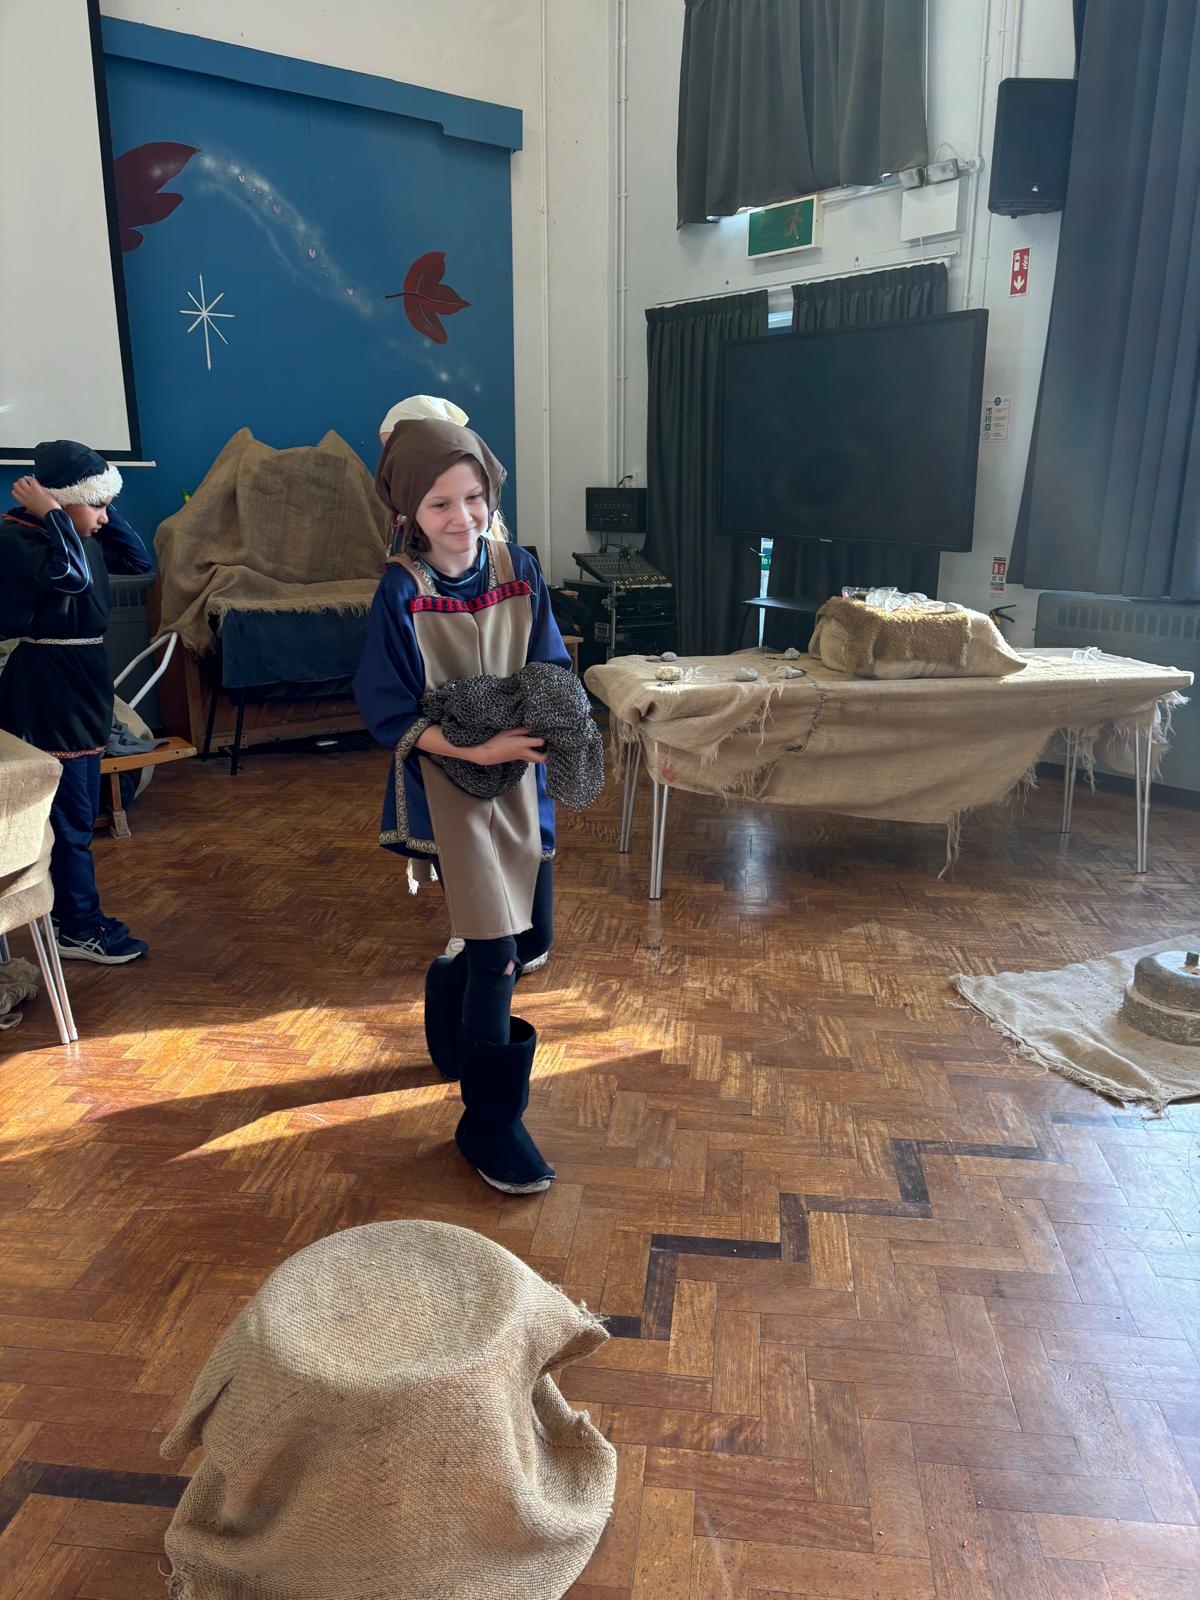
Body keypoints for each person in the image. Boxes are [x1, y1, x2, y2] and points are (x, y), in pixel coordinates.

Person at [354, 418, 570, 1195]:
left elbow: (548, 661)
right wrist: (475, 748)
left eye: (473, 498)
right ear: (410, 511)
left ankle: (451, 1001)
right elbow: (387, 706)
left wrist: (550, 722)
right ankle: (490, 1122)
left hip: (522, 777)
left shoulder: (520, 568)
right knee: (499, 954)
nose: (462, 518)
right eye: (440, 504)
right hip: (450, 780)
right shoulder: (400, 592)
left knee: (533, 938)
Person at [0, 441, 152, 963]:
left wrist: (94, 504)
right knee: (70, 818)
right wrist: (56, 513)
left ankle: (75, 916)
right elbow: (72, 579)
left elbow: (138, 559)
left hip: (81, 680)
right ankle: (78, 926)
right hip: (50, 685)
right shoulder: (19, 537)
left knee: (79, 814)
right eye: (97, 505)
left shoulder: (80, 532)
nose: (105, 517)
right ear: (60, 503)